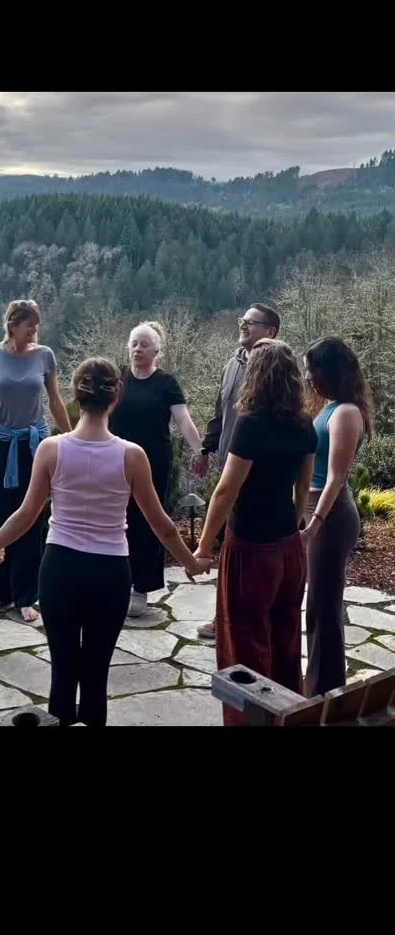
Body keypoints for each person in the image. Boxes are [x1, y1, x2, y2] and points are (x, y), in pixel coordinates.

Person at [0, 358, 212, 726]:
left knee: (62, 674)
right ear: (116, 396)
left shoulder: (51, 449)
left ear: (75, 396)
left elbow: (26, 514)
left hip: (60, 570)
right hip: (110, 574)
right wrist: (191, 562)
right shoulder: (132, 456)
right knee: (95, 678)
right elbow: (162, 525)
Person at [192, 340, 317, 726]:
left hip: (251, 549)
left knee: (244, 647)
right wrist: (294, 528)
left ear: (256, 376)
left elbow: (226, 491)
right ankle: (287, 718)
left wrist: (203, 547)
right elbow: (303, 489)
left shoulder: (250, 425)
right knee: (285, 641)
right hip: (289, 548)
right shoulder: (305, 425)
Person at [0, 299, 71, 623]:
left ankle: (27, 595)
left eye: (37, 324)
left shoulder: (45, 355)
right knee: (0, 515)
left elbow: (55, 400)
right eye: (30, 324)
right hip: (1, 442)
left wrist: (72, 438)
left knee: (31, 518)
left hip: (35, 445)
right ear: (13, 325)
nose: (35, 330)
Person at [191, 303, 281, 640]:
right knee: (231, 547)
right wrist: (205, 448)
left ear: (271, 332)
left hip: (261, 475)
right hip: (229, 467)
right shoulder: (231, 365)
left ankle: (244, 621)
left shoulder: (276, 372)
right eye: (242, 320)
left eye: (251, 322)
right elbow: (220, 413)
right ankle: (225, 619)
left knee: (249, 550)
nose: (243, 325)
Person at [109, 320, 203, 617]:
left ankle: (141, 586)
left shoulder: (166, 383)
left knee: (147, 523)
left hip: (153, 465)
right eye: (134, 343)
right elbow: (98, 412)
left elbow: (183, 420)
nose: (138, 349)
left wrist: (199, 450)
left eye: (144, 344)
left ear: (156, 351)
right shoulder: (118, 379)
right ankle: (116, 582)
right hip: (115, 461)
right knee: (116, 521)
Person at [301, 337, 374, 697]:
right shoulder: (330, 406)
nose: (307, 377)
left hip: (330, 516)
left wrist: (314, 523)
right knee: (317, 605)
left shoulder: (346, 412)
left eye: (311, 369)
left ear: (328, 371)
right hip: (317, 510)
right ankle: (317, 687)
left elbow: (336, 477)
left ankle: (325, 692)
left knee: (324, 607)